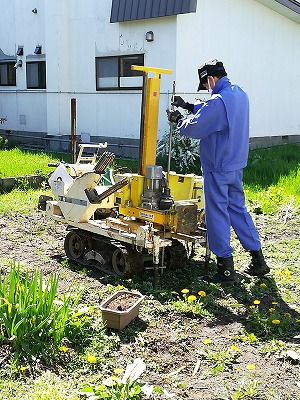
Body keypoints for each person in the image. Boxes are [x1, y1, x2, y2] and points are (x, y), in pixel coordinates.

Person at [167, 59, 270, 284]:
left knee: (217, 214)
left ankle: (225, 269)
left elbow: (197, 126)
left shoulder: (218, 101)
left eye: (205, 85)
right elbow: (213, 111)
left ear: (210, 79)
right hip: (235, 165)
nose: (206, 89)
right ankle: (258, 260)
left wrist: (180, 121)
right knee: (238, 210)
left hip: (217, 166)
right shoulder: (240, 94)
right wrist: (188, 106)